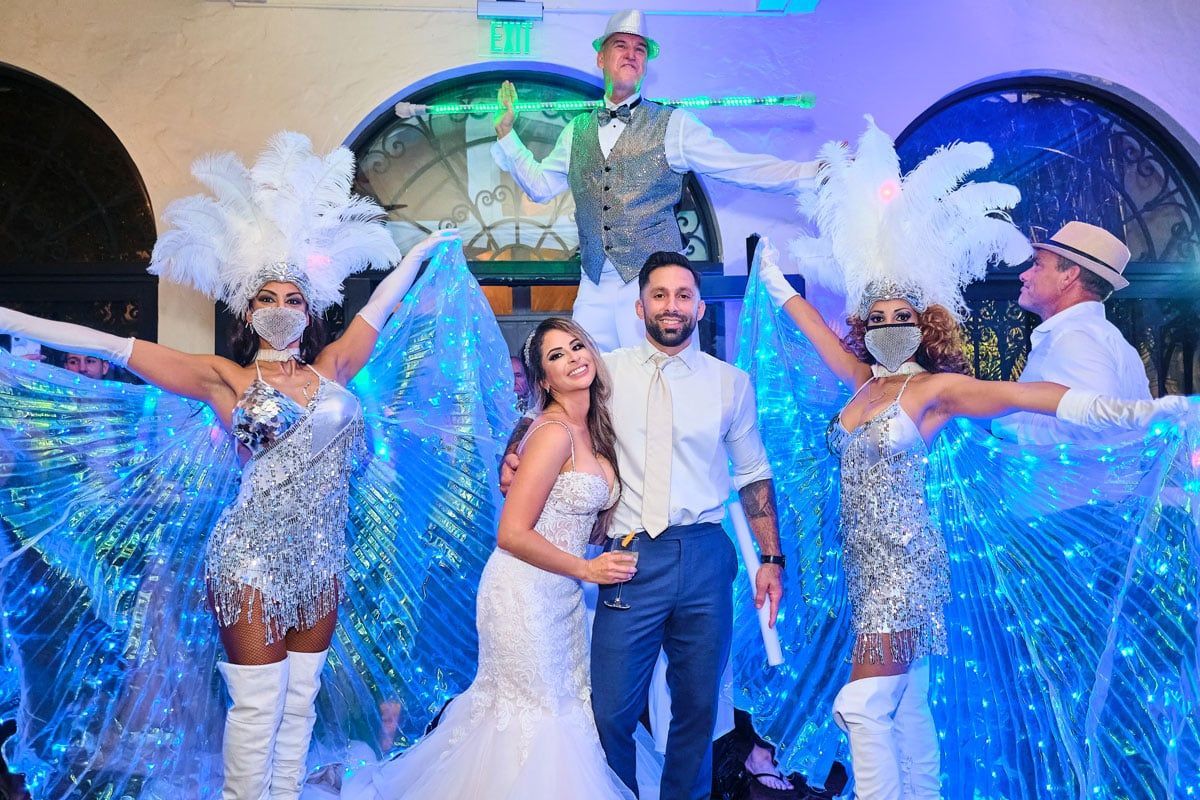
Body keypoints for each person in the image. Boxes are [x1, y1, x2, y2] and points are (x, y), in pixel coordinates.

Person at [0, 132, 458, 800]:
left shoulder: (334, 370)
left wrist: (419, 251)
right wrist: (8, 315)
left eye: (293, 298)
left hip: (324, 557)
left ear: (312, 309)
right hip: (250, 559)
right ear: (248, 310)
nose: (280, 309)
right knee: (256, 706)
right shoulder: (224, 380)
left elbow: (383, 304)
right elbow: (111, 345)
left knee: (299, 704)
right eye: (267, 299)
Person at [751, 118, 1188, 800]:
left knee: (863, 706)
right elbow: (809, 323)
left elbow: (1033, 394)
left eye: (905, 316)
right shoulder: (864, 385)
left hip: (905, 565)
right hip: (862, 566)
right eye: (880, 317)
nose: (893, 325)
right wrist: (773, 280)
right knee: (908, 709)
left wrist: (1136, 413)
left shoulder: (935, 390)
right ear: (866, 328)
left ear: (920, 326)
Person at [503, 252, 786, 800]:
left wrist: (771, 559)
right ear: (640, 307)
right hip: (628, 558)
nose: (672, 305)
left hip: (705, 553)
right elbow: (551, 408)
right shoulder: (607, 372)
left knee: (699, 709)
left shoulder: (732, 384)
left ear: (699, 307)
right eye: (660, 295)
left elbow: (753, 473)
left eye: (683, 295)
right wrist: (515, 449)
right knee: (611, 711)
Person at [337, 316, 638, 799]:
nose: (574, 358)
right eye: (557, 355)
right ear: (543, 379)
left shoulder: (596, 430)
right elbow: (511, 533)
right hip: (522, 590)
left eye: (578, 346)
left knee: (558, 709)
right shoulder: (553, 432)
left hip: (559, 596)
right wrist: (586, 569)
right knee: (532, 716)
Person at [491, 9, 819, 352]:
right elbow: (541, 187)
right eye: (621, 45)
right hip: (593, 286)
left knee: (662, 382)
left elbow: (738, 166)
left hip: (652, 286)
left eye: (640, 49)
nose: (631, 54)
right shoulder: (576, 132)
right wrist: (506, 135)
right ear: (601, 57)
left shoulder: (673, 125)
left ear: (645, 64)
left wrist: (813, 174)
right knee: (589, 383)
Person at [991, 221, 1151, 444]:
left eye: (1038, 265)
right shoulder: (1101, 337)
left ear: (1068, 276)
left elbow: (1094, 427)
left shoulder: (1076, 338)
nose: (1024, 275)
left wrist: (1006, 423)